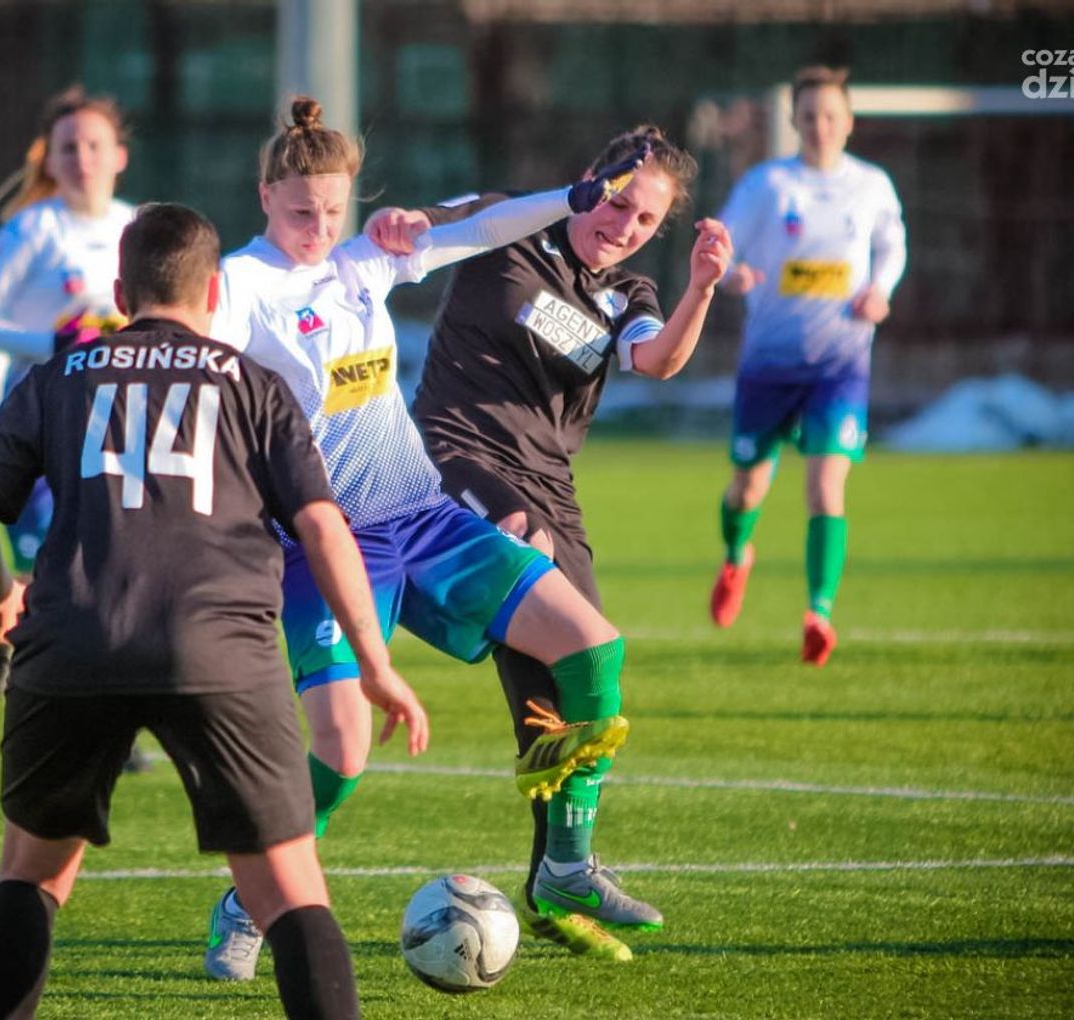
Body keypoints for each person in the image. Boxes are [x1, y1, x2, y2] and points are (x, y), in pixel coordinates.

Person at [200, 96, 659, 983]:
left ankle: (565, 867)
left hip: (424, 516)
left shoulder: (360, 264)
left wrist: (573, 198)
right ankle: (248, 899)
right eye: (301, 212)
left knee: (593, 648)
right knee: (343, 749)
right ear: (264, 197)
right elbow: (189, 352)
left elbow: (479, 228)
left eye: (333, 210)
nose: (319, 229)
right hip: (327, 542)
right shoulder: (241, 285)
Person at [0, 201, 429, 1020]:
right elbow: (322, 526)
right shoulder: (256, 385)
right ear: (212, 294)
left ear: (119, 293)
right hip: (220, 649)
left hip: (73, 642)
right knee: (289, 889)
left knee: (32, 874)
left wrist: (1, 596)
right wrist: (375, 664)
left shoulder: (59, 378)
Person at [365, 125, 730, 961]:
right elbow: (432, 226)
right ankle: (562, 870)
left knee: (577, 676)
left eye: (646, 220)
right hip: (454, 455)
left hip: (551, 489)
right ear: (591, 181)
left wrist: (702, 288)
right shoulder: (514, 224)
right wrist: (404, 223)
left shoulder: (628, 292)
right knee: (526, 565)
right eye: (618, 203)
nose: (624, 226)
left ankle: (558, 875)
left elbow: (656, 359)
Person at [708, 66, 907, 665]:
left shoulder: (871, 185)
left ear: (848, 121)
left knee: (825, 488)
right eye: (809, 116)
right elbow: (723, 244)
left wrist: (881, 290)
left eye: (830, 116)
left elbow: (892, 246)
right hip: (768, 365)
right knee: (747, 488)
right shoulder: (767, 185)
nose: (820, 126)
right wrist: (731, 274)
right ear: (794, 121)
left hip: (839, 366)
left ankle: (818, 612)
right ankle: (737, 554)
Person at [0, 85, 135, 704]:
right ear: (50, 159)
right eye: (68, 147)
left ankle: (96, 707)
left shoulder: (136, 226)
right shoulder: (30, 230)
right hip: (40, 423)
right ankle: (2, 629)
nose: (82, 158)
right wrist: (51, 341)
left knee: (105, 569)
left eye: (94, 145)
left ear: (119, 156)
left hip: (116, 425)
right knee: (49, 573)